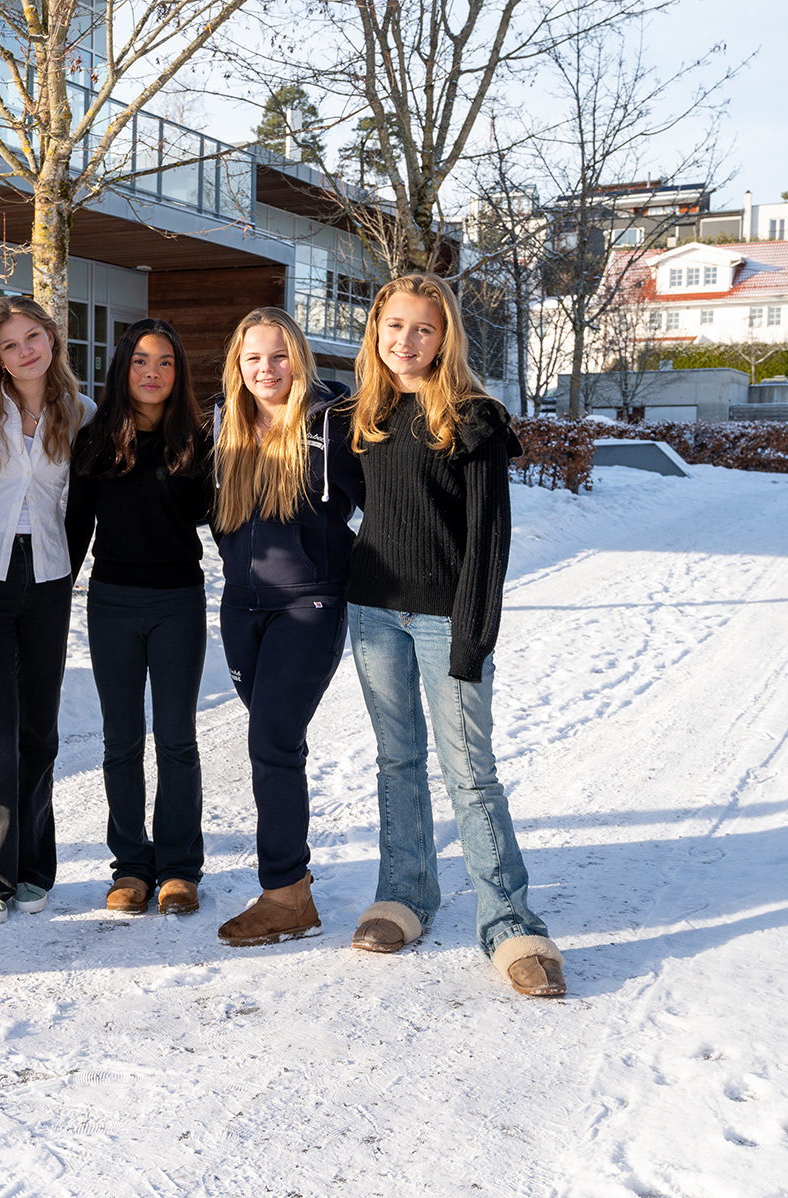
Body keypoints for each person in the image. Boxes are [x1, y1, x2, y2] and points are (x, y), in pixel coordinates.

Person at [344, 271, 565, 998]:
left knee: (469, 772)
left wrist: (473, 637)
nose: (406, 340)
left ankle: (510, 924)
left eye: (423, 328)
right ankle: (404, 896)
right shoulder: (363, 415)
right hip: (373, 614)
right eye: (395, 325)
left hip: (447, 621)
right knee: (396, 761)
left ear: (445, 338)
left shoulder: (474, 418)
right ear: (376, 331)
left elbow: (489, 541)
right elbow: (358, 506)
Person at [207, 308, 361, 947]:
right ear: (237, 366)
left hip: (309, 603)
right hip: (241, 606)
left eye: (278, 356)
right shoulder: (224, 424)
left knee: (271, 740)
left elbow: (383, 500)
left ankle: (286, 892)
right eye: (253, 358)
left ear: (298, 358)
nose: (266, 369)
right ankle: (291, 880)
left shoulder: (334, 423)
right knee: (276, 742)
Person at [0, 297, 95, 924]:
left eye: (32, 337)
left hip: (49, 578)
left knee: (39, 729)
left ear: (51, 338)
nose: (25, 351)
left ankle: (34, 866)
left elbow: (84, 501)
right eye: (9, 344)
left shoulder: (80, 412)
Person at [67, 318, 214, 917]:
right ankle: (130, 865)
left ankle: (179, 868)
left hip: (178, 602)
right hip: (112, 604)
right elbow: (76, 527)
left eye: (165, 362)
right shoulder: (95, 439)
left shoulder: (199, 441)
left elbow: (223, 518)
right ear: (123, 367)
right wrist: (52, 598)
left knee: (176, 739)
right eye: (141, 361)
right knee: (121, 740)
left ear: (179, 373)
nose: (152, 373)